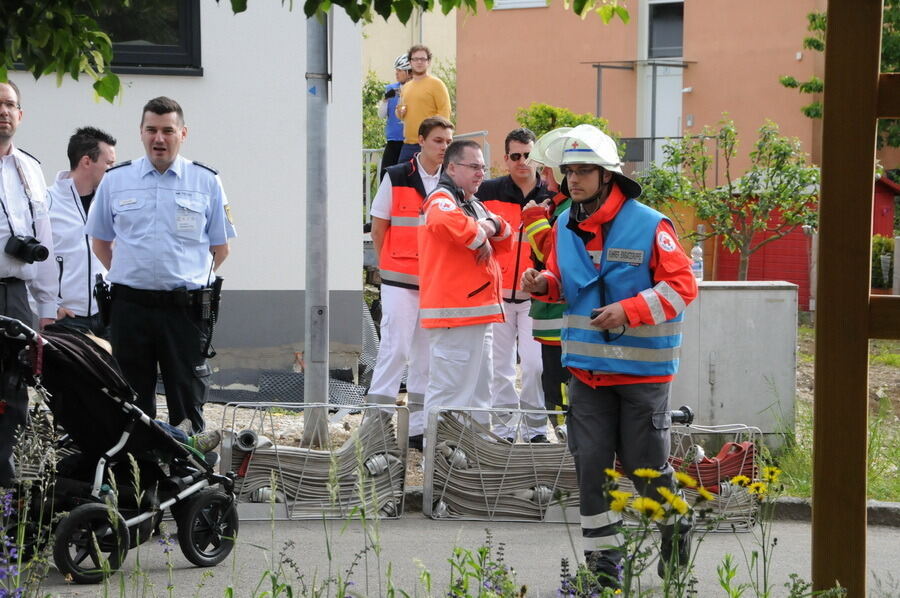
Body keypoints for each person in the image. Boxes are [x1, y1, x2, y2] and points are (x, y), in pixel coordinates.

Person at [520, 125, 698, 589]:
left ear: (607, 176)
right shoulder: (562, 224)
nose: (573, 179)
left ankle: (675, 524)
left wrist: (629, 310)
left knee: (644, 473)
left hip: (641, 375)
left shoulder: (650, 224)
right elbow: (564, 282)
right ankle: (604, 570)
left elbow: (682, 287)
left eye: (584, 171)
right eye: (569, 171)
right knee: (591, 471)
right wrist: (545, 285)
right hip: (586, 372)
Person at [86, 96, 235, 435]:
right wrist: (133, 275)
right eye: (151, 129)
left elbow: (220, 248)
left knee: (187, 402)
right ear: (140, 133)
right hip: (129, 309)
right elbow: (101, 243)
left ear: (183, 133)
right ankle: (135, 478)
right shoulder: (116, 180)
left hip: (183, 313)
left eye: (168, 130)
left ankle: (188, 478)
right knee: (129, 402)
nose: (159, 138)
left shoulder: (206, 181)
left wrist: (190, 280)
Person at [368, 116, 453, 450]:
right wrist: (387, 267)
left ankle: (417, 429)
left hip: (434, 283)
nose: (444, 147)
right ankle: (377, 425)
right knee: (396, 348)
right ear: (421, 141)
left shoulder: (450, 182)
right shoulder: (397, 175)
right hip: (400, 281)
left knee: (425, 357)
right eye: (438, 140)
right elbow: (378, 228)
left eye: (448, 141)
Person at [418, 139, 512, 432]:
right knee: (450, 395)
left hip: (475, 312)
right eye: (473, 166)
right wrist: (481, 234)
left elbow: (506, 236)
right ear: (452, 167)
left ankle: (472, 460)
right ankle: (441, 465)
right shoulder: (441, 198)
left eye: (483, 167)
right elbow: (442, 219)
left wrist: (491, 226)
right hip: (454, 315)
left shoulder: (471, 203)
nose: (480, 173)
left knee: (479, 395)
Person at [0, 79, 58, 487]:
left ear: (21, 115)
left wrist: (48, 308)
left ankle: (5, 492)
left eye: (10, 104)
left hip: (15, 296)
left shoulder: (30, 169)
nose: (3, 111)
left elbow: (45, 244)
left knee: (13, 393)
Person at [477, 128, 552, 443]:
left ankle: (536, 429)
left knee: (535, 367)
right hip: (497, 296)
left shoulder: (551, 196)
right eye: (516, 156)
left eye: (528, 156)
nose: (522, 162)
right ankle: (506, 429)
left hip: (536, 297)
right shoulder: (487, 192)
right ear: (506, 159)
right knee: (500, 368)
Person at [521, 128, 573, 433]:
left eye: (547, 172)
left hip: (560, 320)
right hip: (552, 320)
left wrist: (534, 219)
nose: (544, 180)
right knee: (554, 387)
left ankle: (569, 454)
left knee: (561, 392)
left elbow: (551, 257)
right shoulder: (559, 206)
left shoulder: (566, 210)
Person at [47, 126, 117, 337]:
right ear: (87, 161)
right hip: (67, 319)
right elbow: (32, 263)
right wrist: (49, 308)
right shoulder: (45, 202)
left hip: (109, 316)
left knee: (115, 371)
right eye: (108, 163)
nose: (112, 170)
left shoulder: (112, 202)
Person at [395, 45, 451, 165]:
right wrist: (400, 112)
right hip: (408, 143)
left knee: (428, 181)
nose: (419, 62)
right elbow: (399, 113)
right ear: (410, 62)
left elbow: (445, 113)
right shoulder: (406, 87)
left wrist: (437, 138)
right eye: (415, 59)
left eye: (423, 59)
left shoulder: (436, 84)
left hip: (428, 144)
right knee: (401, 179)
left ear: (428, 62)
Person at [378, 54, 413, 177]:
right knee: (386, 176)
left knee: (407, 176)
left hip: (410, 141)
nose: (396, 73)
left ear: (409, 72)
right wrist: (385, 99)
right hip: (393, 141)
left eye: (399, 70)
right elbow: (381, 115)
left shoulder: (416, 89)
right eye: (396, 70)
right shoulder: (391, 89)